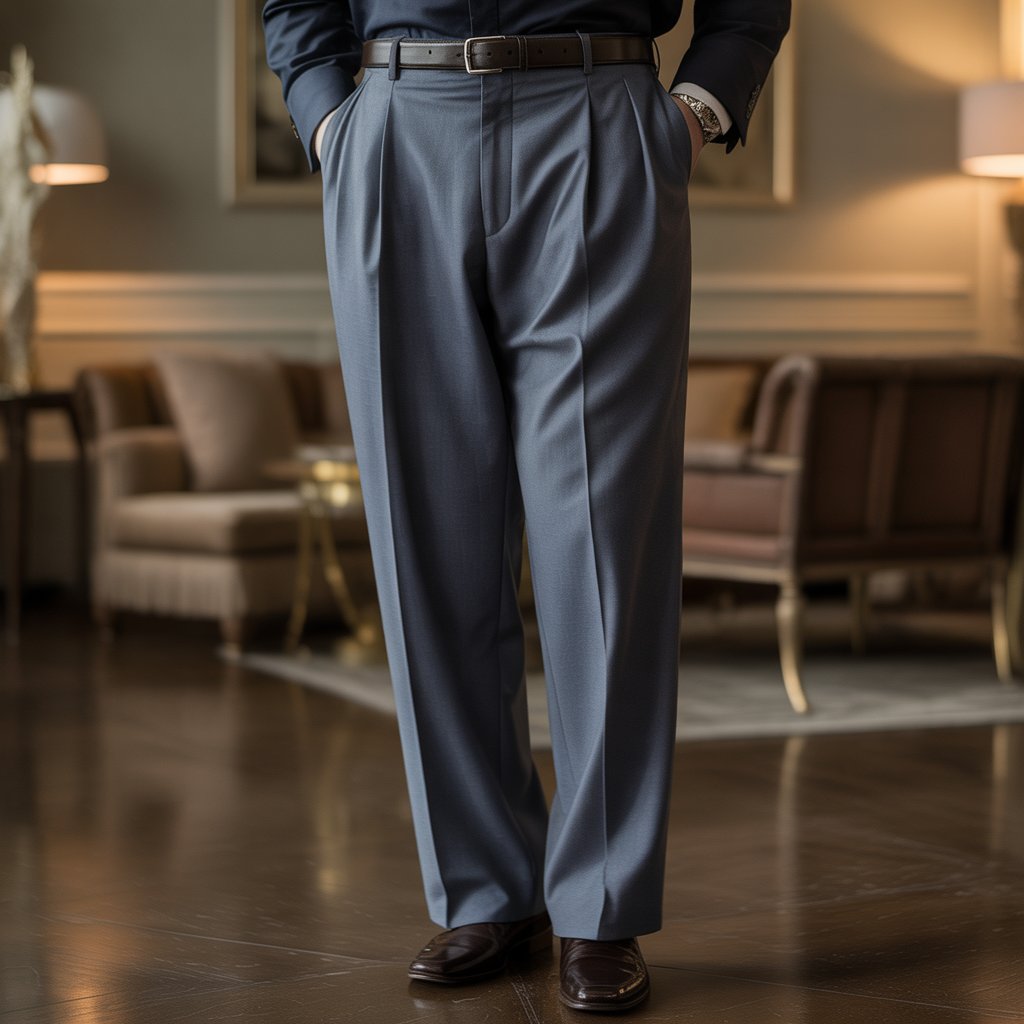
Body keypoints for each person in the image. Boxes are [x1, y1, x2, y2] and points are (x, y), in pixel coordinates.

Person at [262, 1, 790, 1012]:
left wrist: (693, 108)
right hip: (398, 126)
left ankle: (599, 904)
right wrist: (331, 115)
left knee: (602, 541)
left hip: (601, 116)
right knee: (431, 547)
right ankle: (484, 888)